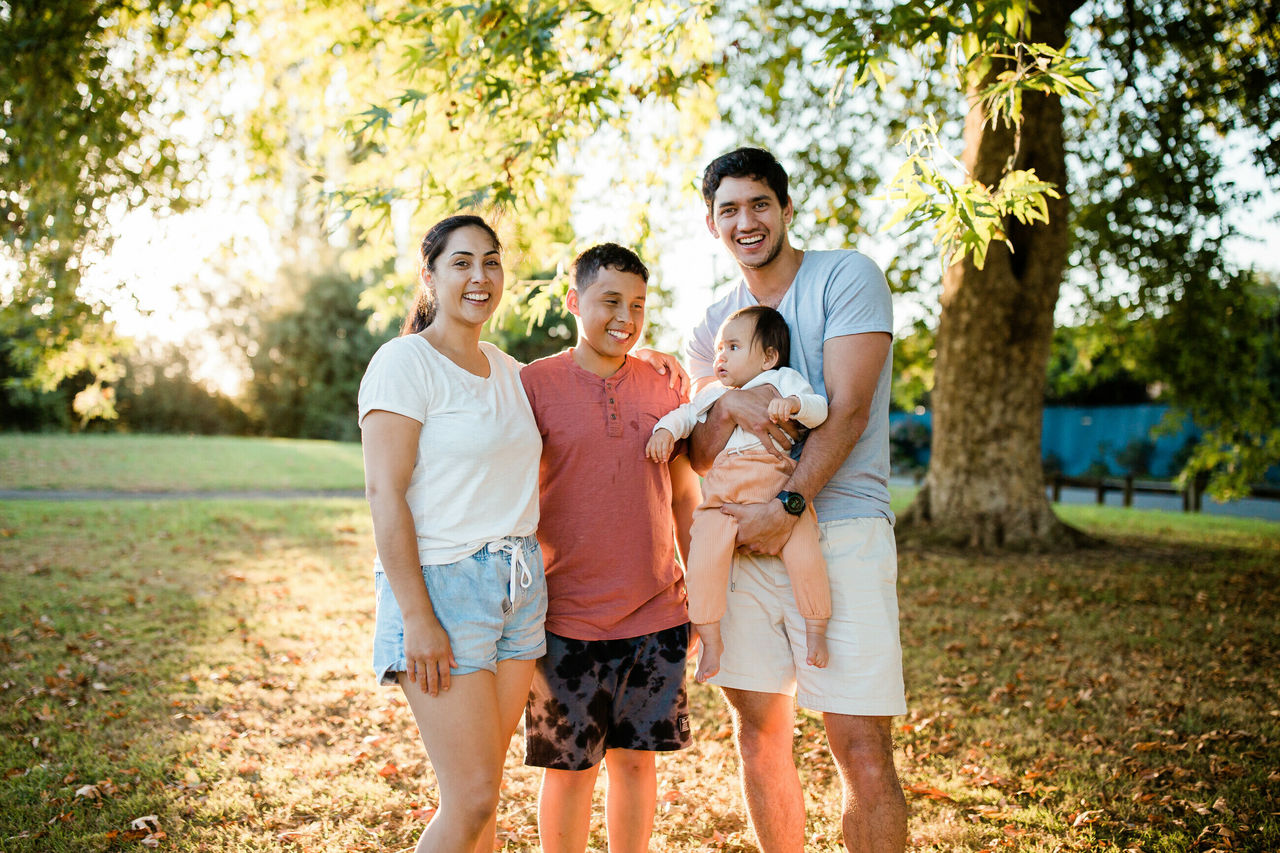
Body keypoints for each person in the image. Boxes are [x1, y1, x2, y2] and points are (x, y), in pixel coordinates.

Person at [684, 147, 908, 853]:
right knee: (758, 737)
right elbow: (698, 448)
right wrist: (732, 400)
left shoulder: (847, 276)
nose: (745, 221)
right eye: (729, 210)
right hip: (744, 546)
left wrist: (785, 509)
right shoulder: (712, 325)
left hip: (839, 532)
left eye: (759, 204)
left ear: (785, 208)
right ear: (712, 222)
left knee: (861, 749)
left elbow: (846, 409)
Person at [358, 214, 546, 853]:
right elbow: (385, 493)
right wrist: (417, 616)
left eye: (491, 261)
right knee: (470, 797)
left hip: (518, 588)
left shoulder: (511, 370)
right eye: (461, 261)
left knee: (484, 795)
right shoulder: (403, 363)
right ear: (429, 275)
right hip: (443, 588)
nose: (480, 275)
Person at [519, 243, 702, 853]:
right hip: (564, 618)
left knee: (636, 764)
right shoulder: (533, 385)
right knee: (569, 769)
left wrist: (697, 589)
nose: (626, 317)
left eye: (639, 305)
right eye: (610, 301)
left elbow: (682, 497)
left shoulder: (664, 386)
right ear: (574, 302)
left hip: (656, 613)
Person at [645, 304, 830, 683]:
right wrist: (665, 432)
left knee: (807, 555)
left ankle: (816, 631)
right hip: (723, 502)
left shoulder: (784, 380)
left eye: (732, 347)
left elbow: (820, 410)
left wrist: (794, 405)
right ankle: (710, 639)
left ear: (768, 357)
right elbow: (685, 417)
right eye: (717, 350)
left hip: (776, 488)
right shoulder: (713, 395)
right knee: (703, 561)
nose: (720, 357)